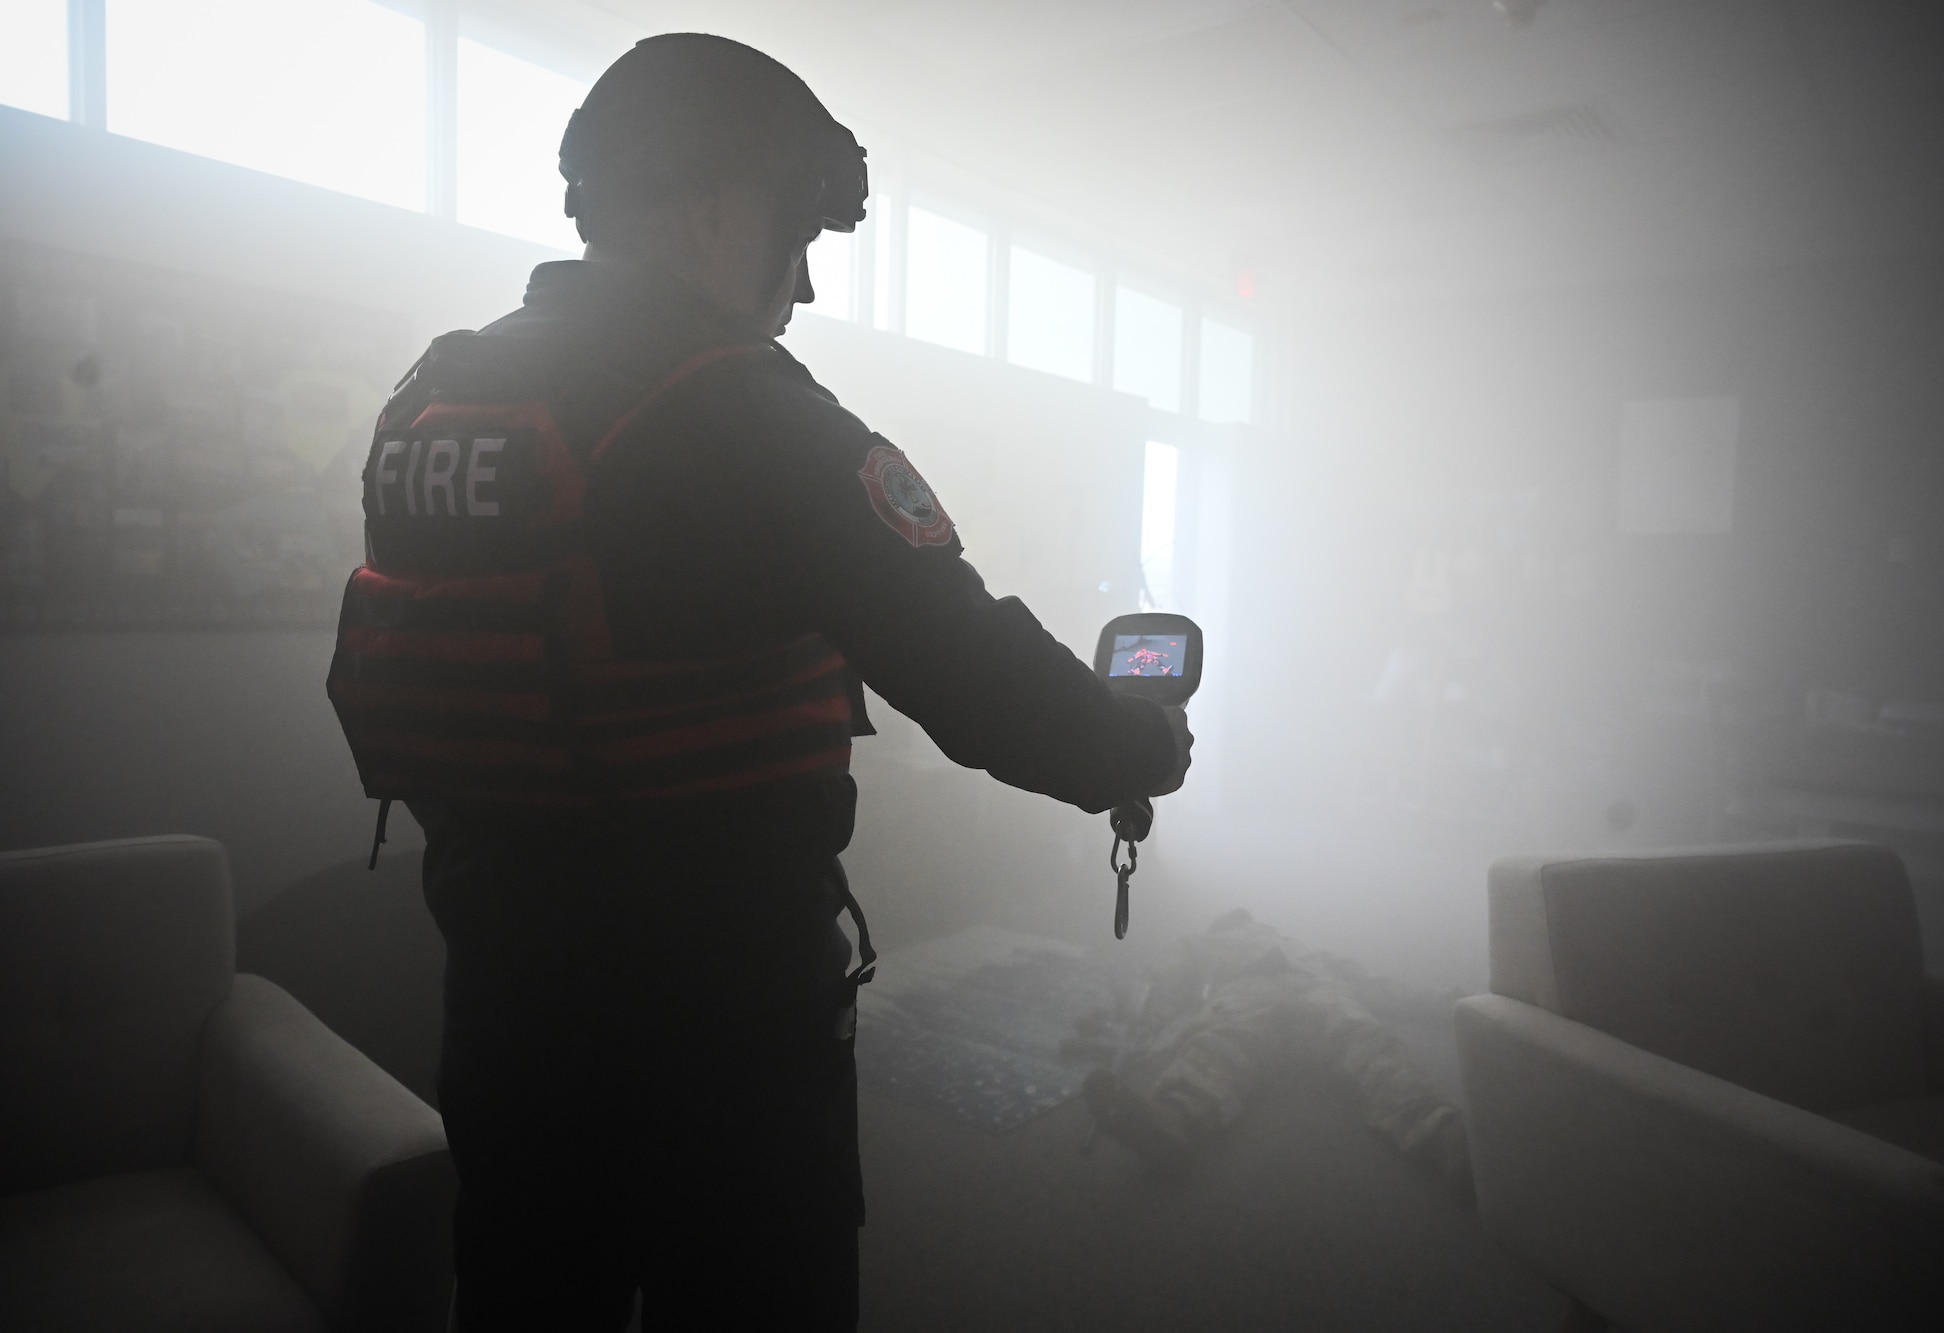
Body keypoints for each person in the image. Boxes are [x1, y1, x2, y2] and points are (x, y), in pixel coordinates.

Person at [324, 32, 1191, 1333]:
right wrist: (1132, 749)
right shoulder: (740, 413)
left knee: (524, 1292)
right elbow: (966, 662)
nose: (801, 284)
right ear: (712, 208)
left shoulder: (431, 399)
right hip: (720, 1029)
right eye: (795, 237)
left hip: (504, 997)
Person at [1078, 910, 1471, 1201]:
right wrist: (1130, 1019)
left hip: (1312, 987)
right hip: (1248, 990)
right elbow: (1165, 979)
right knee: (1221, 1041)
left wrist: (1448, 1003)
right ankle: (1170, 1122)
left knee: (1367, 1040)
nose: (1248, 925)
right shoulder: (1202, 942)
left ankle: (1444, 1133)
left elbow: (1373, 983)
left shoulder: (1305, 950)